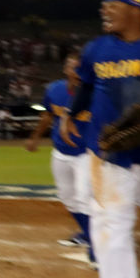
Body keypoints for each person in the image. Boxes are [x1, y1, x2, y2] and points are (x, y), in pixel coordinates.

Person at [59, 0, 140, 278]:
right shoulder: (96, 49)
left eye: (111, 7)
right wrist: (70, 115)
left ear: (137, 10)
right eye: (103, 7)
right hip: (108, 149)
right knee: (111, 223)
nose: (104, 12)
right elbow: (86, 86)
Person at [25, 54, 93, 258]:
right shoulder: (54, 90)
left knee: (84, 197)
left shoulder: (93, 94)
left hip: (86, 154)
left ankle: (95, 240)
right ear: (66, 70)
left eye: (81, 68)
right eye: (74, 68)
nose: (77, 73)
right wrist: (35, 138)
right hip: (61, 152)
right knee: (67, 196)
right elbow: (47, 115)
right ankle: (87, 233)